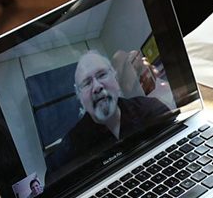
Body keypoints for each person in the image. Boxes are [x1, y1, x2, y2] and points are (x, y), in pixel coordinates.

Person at [45, 51, 171, 184]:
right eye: (87, 83)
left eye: (102, 75)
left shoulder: (150, 109)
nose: (97, 87)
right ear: (79, 96)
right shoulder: (70, 149)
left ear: (115, 79)